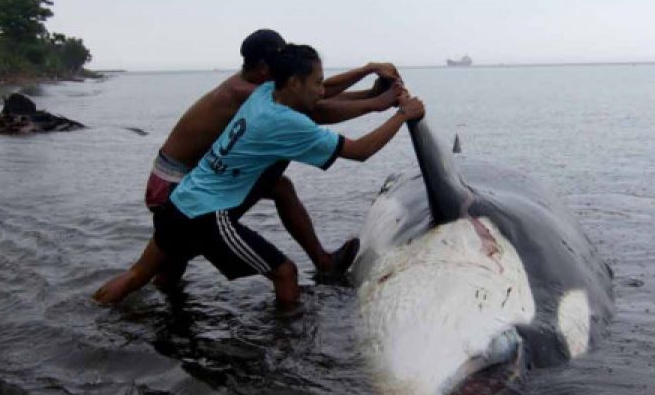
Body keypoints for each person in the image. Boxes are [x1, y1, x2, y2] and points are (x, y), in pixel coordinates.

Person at [94, 43, 425, 307]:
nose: (322, 89)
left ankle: (90, 313)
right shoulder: (285, 122)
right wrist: (400, 114)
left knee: (137, 275)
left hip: (180, 202)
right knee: (285, 273)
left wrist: (372, 88)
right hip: (205, 216)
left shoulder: (263, 93)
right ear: (294, 83)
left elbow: (322, 97)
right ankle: (285, 349)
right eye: (317, 82)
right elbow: (360, 151)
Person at [141, 28, 402, 287]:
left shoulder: (263, 86)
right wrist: (377, 102)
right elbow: (316, 109)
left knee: (281, 187)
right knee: (171, 264)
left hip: (200, 176)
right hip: (173, 180)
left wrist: (369, 80)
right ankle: (162, 311)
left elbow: (316, 89)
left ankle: (323, 261)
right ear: (264, 66)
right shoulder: (245, 91)